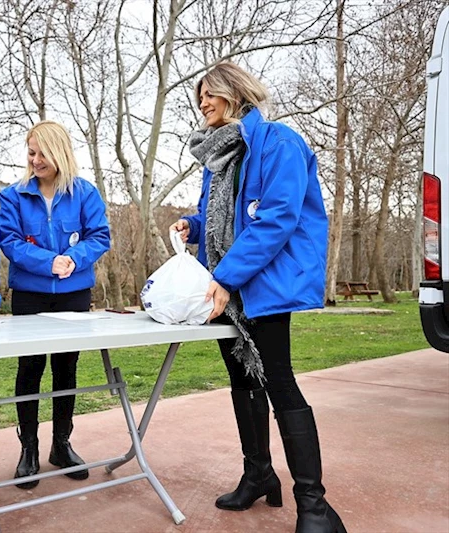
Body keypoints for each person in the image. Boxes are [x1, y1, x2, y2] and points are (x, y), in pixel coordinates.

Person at [170, 62, 346, 533]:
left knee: (279, 383)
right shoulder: (221, 156)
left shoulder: (278, 142)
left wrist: (225, 275)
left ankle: (314, 507)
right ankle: (259, 474)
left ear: (235, 93)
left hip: (262, 284)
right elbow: (221, 214)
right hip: (230, 285)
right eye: (199, 97)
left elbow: (276, 218)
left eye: (209, 94)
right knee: (241, 380)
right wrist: (193, 221)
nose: (202, 103)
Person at [0, 120, 111, 489]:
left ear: (59, 152)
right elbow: (10, 242)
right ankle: (28, 448)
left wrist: (73, 259)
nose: (35, 160)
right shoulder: (14, 195)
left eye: (42, 152)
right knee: (30, 368)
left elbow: (99, 236)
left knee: (66, 367)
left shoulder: (85, 193)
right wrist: (48, 261)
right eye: (31, 152)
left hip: (74, 295)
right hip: (30, 295)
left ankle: (61, 444)